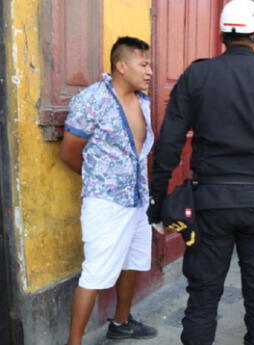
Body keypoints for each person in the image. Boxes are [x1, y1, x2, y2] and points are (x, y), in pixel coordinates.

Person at [146, 1, 254, 344]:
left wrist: (157, 199)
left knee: (203, 296)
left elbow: (169, 144)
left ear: (223, 34)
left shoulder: (196, 75)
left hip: (211, 203)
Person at [59, 36, 157, 345]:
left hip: (138, 199)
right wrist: (98, 183)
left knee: (133, 261)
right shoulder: (93, 100)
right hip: (106, 203)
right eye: (144, 64)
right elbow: (70, 152)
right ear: (121, 65)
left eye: (150, 64)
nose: (150, 71)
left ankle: (121, 322)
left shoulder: (143, 102)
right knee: (96, 273)